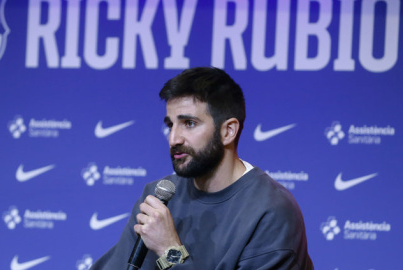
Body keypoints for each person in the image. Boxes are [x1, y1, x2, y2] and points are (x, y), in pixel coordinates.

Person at [91, 67, 314, 269]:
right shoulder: (158, 197)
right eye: (170, 124)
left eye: (189, 123)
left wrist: (170, 252)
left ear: (228, 131)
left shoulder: (271, 212)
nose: (173, 138)